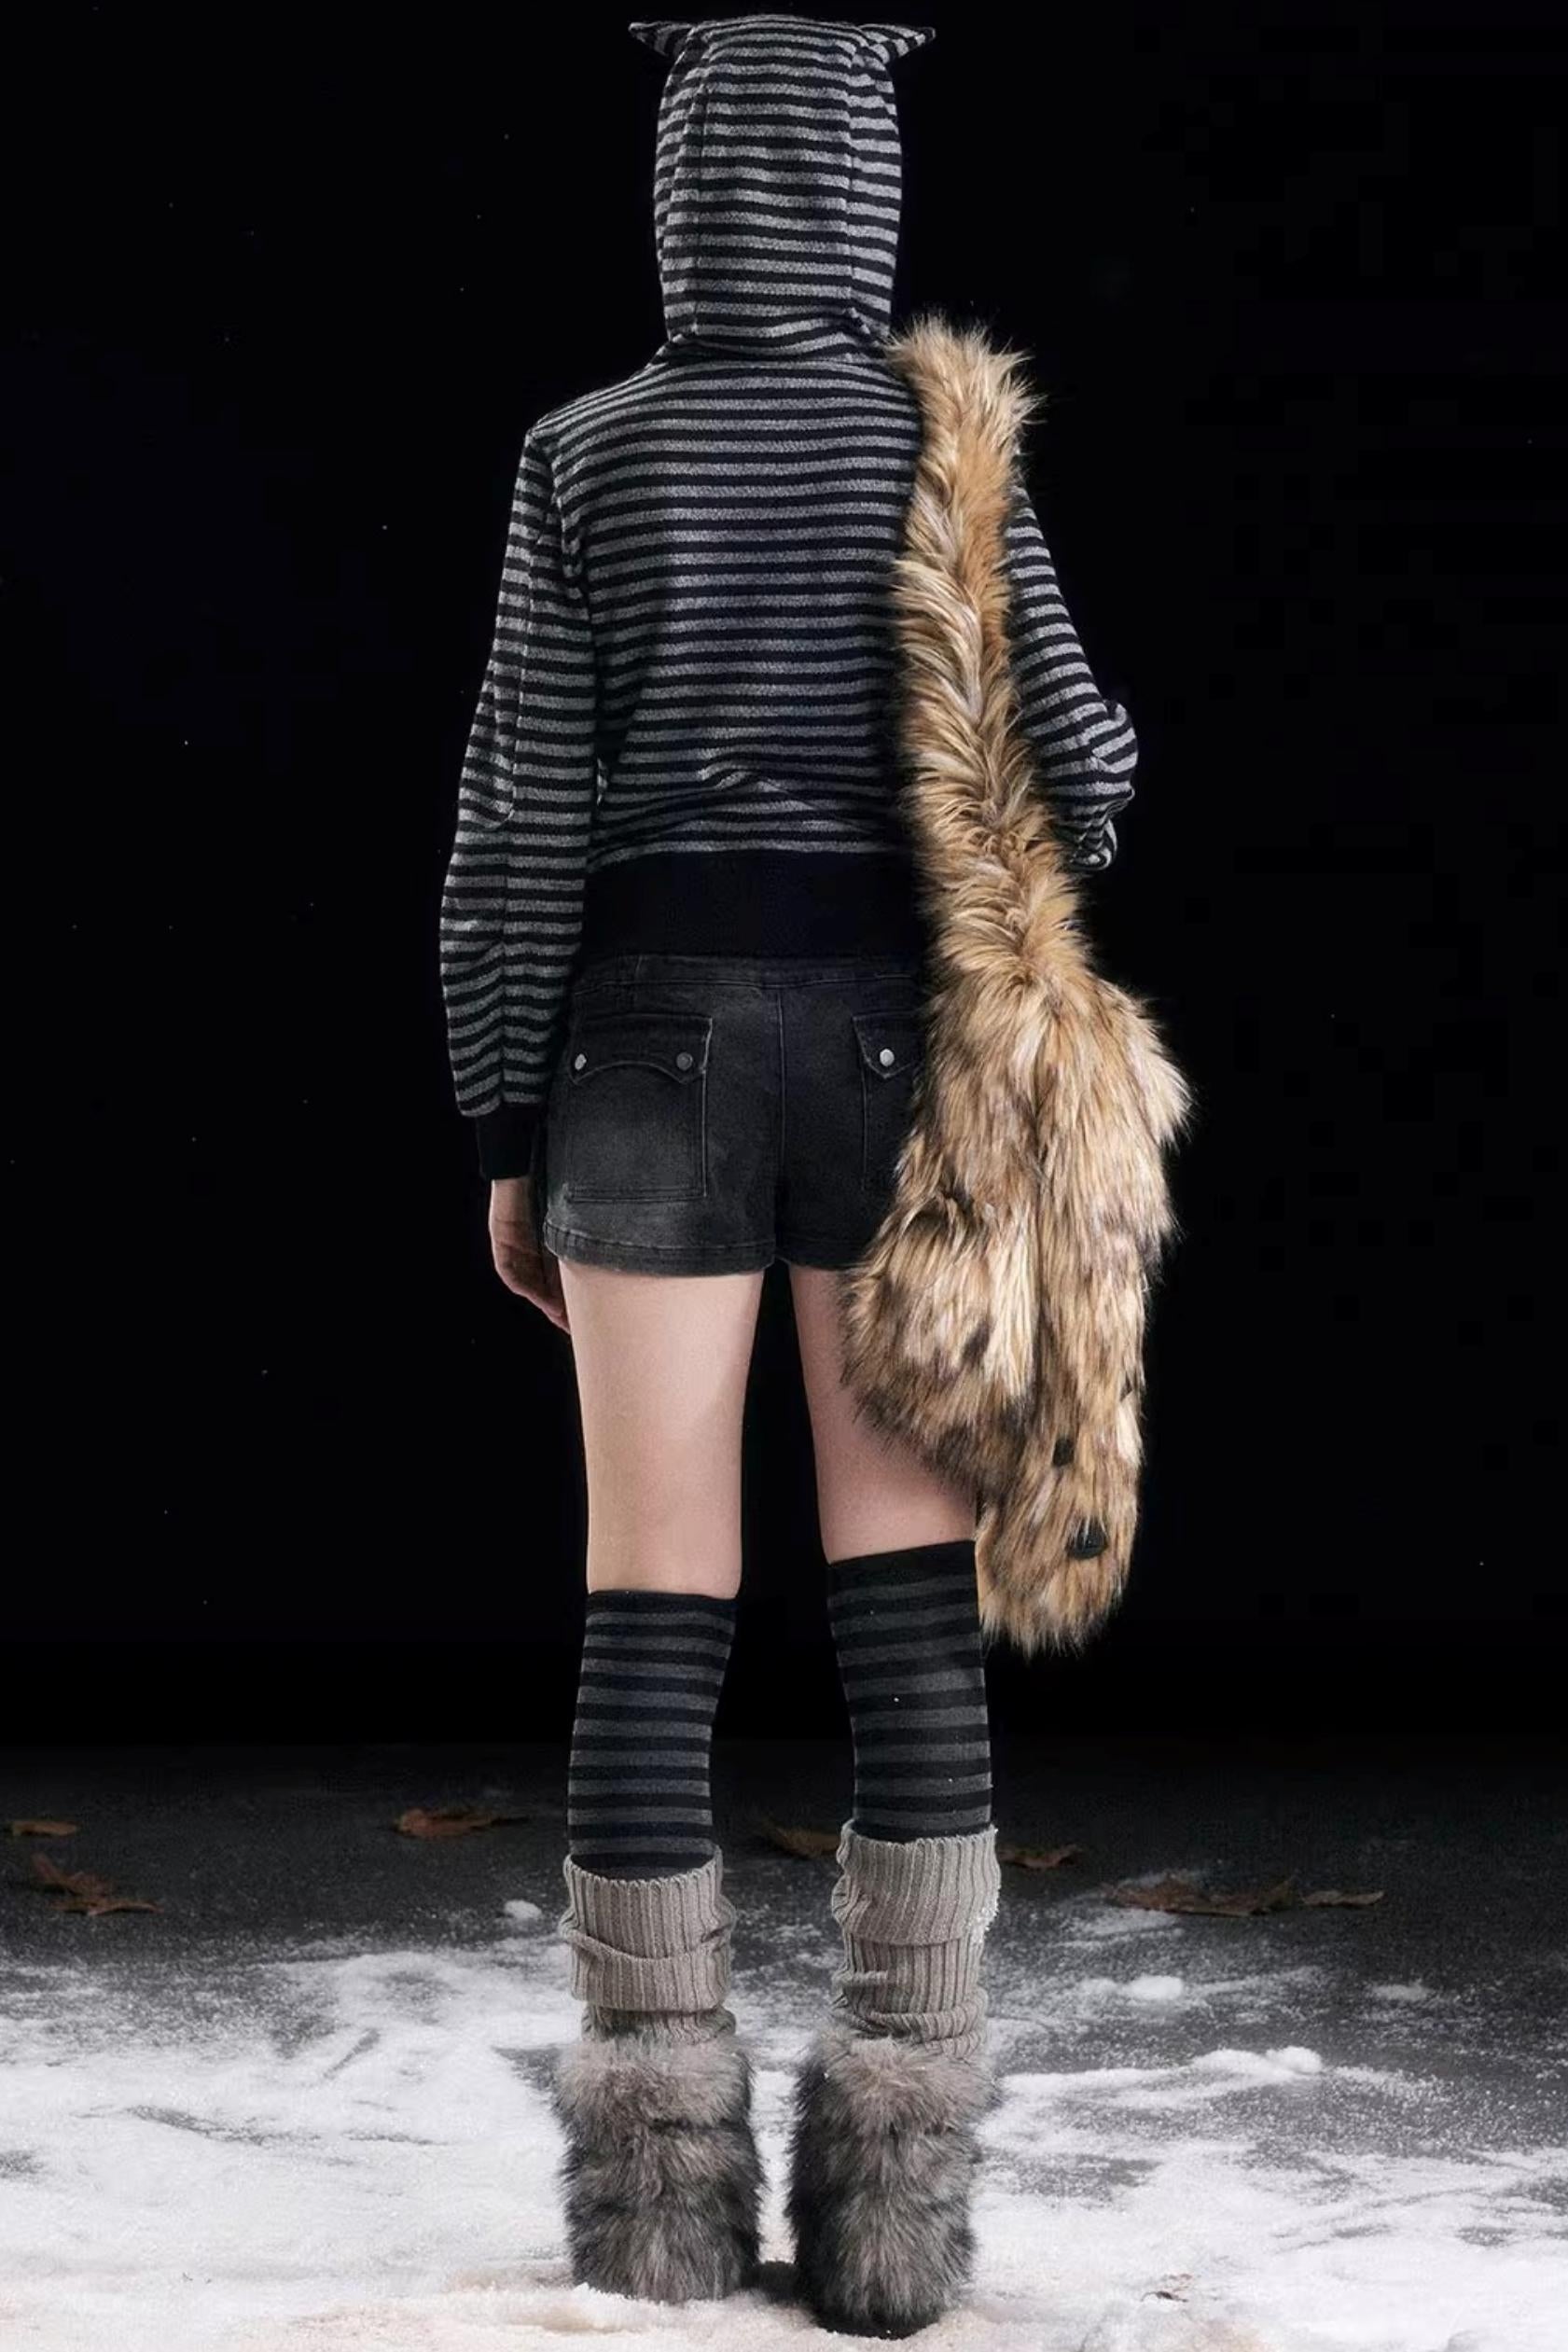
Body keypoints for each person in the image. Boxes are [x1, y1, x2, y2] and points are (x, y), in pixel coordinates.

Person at [438, 14, 1140, 2335]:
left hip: (634, 1042)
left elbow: (519, 819)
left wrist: (505, 1124)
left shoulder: (580, 449)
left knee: (650, 1603)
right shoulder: (942, 445)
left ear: (678, 183)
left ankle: (649, 2212)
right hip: (894, 1060)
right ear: (864, 184)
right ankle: (895, 2222)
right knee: (903, 1615)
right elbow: (1079, 776)